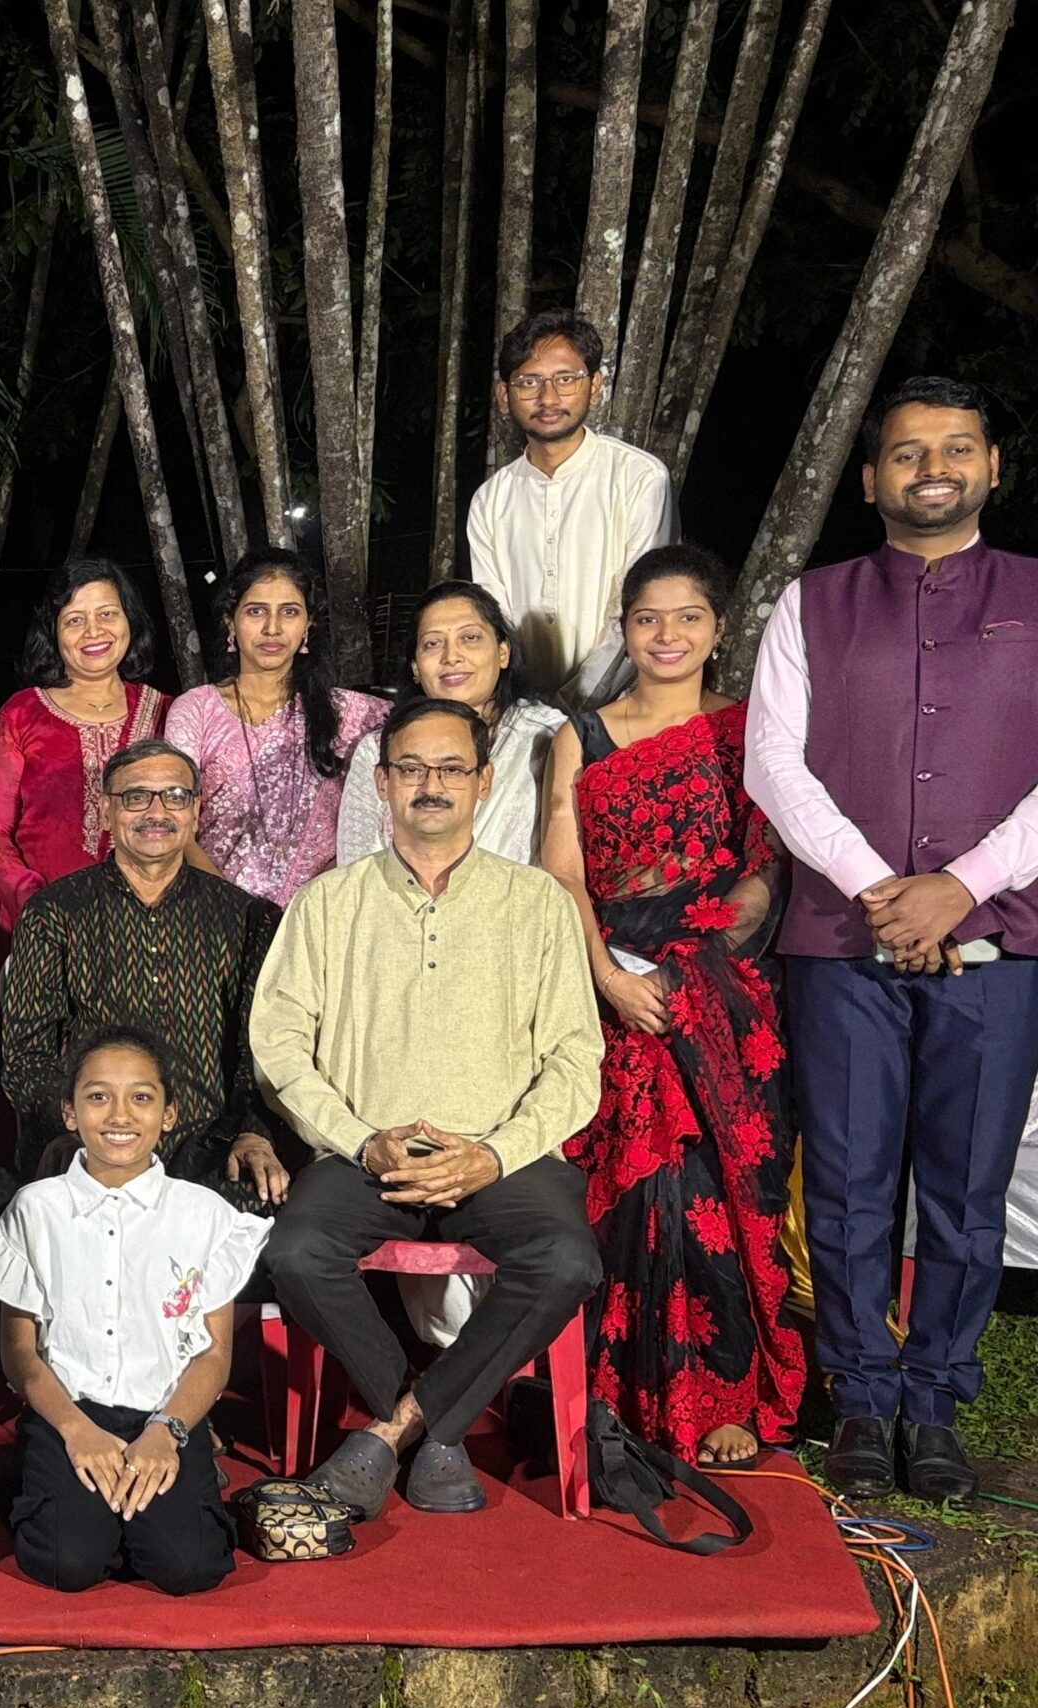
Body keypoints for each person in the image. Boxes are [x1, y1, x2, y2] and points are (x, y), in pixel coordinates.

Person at [745, 375, 1038, 1502]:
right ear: (871, 479)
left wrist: (960, 886)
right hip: (843, 939)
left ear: (992, 467)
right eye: (909, 452)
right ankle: (863, 1396)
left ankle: (937, 1402)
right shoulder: (811, 603)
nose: (933, 469)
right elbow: (773, 763)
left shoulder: (1034, 594)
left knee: (965, 1188)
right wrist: (883, 889)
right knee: (848, 1181)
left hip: (998, 939)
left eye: (956, 448)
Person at [251, 698, 604, 1517]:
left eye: (451, 768)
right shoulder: (329, 903)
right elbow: (278, 1045)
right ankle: (433, 1422)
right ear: (382, 783)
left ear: (485, 782)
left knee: (566, 1261)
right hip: (367, 1153)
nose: (431, 785)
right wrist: (359, 1140)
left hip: (500, 1155)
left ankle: (395, 1428)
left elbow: (575, 1060)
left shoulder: (537, 903)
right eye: (411, 768)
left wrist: (494, 1153)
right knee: (297, 1254)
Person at [539, 545, 799, 1470]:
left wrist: (698, 967)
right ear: (624, 628)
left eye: (688, 617)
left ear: (718, 628)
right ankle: (621, 1391)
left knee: (717, 1189)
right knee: (637, 1184)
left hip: (720, 997)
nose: (667, 635)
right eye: (648, 618)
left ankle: (723, 1391)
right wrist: (610, 978)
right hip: (616, 991)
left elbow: (767, 866)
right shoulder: (581, 735)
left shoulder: (749, 728)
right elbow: (561, 872)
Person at [0, 1028, 264, 1596]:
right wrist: (75, 1431)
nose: (120, 1115)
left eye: (142, 1097)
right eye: (99, 1096)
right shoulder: (35, 1209)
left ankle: (141, 1501)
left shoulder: (205, 1216)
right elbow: (20, 1352)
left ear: (169, 1113)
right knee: (67, 1564)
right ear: (70, 1111)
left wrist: (167, 1432)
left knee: (189, 1568)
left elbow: (214, 1354)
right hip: (70, 1411)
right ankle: (39, 1477)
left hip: (167, 1415)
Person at [2, 741, 283, 1199]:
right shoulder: (55, 913)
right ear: (105, 810)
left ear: (195, 811)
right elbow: (26, 1056)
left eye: (175, 796)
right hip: (91, 1141)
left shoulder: (245, 917)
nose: (157, 812)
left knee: (255, 1197)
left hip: (209, 1147)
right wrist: (78, 1129)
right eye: (136, 797)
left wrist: (253, 1132)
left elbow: (259, 1050)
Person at [466, 310, 678, 701]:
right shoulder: (489, 501)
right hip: (525, 709)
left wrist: (572, 707)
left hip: (627, 708)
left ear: (594, 386)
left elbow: (641, 607)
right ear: (504, 395)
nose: (548, 398)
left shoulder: (640, 478)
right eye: (529, 382)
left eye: (566, 379)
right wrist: (529, 712)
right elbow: (496, 621)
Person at [164, 548, 387, 908]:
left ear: (308, 624)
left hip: (322, 911)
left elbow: (381, 818)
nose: (273, 628)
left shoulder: (356, 717)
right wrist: (232, 912)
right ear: (230, 621)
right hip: (214, 913)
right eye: (256, 611)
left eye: (289, 612)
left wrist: (309, 907)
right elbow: (175, 820)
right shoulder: (196, 710)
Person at [0, 558, 170, 938]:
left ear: (130, 620)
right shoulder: (22, 713)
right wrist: (37, 903)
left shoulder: (165, 713)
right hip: (40, 923)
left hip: (148, 924)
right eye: (75, 620)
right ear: (54, 631)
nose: (93, 631)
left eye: (107, 614)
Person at [337, 580, 561, 867]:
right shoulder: (377, 750)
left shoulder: (547, 737)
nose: (451, 657)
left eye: (470, 638)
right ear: (415, 667)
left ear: (503, 652)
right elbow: (356, 869)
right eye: (433, 643)